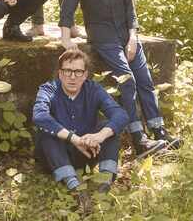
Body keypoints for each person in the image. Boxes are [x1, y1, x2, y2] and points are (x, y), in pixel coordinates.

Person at [59, 0, 181, 156]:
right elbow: (67, 10)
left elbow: (130, 11)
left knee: (145, 81)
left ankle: (159, 132)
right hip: (103, 37)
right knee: (127, 81)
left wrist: (133, 38)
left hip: (127, 37)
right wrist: (66, 40)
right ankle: (139, 139)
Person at [32, 50, 127, 206]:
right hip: (55, 156)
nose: (72, 76)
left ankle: (104, 185)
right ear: (60, 73)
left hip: (87, 153)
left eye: (78, 71)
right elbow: (39, 116)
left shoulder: (93, 89)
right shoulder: (49, 89)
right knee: (48, 132)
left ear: (85, 74)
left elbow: (120, 114)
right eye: (67, 71)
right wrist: (74, 139)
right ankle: (76, 190)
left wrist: (99, 136)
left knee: (107, 128)